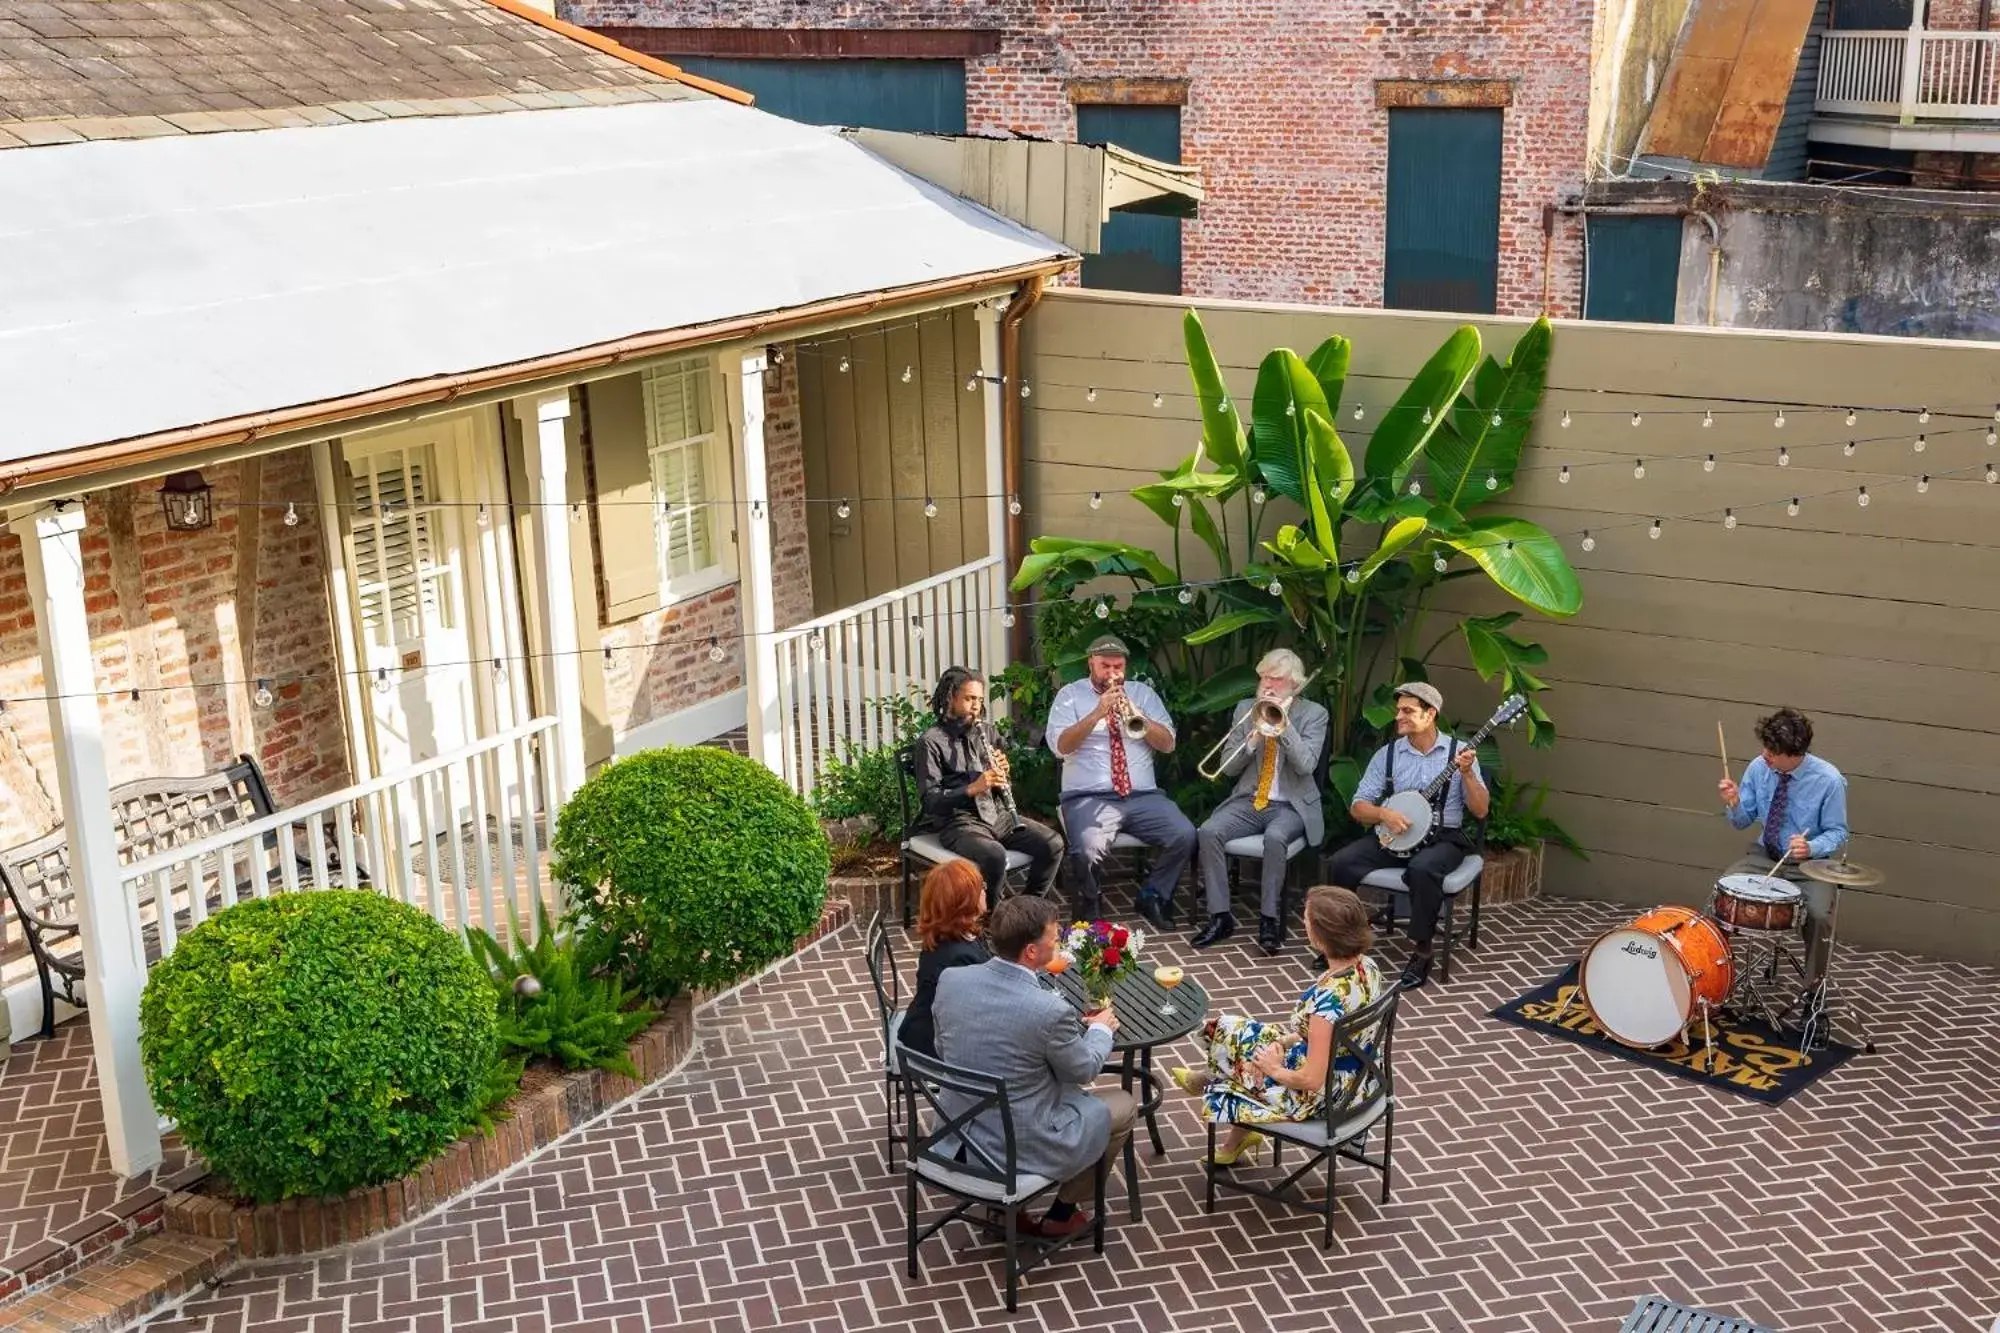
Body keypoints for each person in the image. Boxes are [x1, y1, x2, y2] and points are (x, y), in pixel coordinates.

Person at [932, 895, 1136, 1239]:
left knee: (1048, 1089)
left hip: (957, 1133)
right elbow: (1084, 1069)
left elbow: (943, 1049)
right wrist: (1101, 1029)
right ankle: (1061, 1213)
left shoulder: (952, 980)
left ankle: (1003, 1214)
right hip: (1016, 1147)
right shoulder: (1049, 1011)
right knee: (1123, 1107)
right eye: (1053, 939)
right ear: (1030, 951)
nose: (1057, 944)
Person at [1170, 885, 1385, 1166]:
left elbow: (1311, 1080)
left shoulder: (1327, 1002)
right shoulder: (1367, 967)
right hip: (1362, 1073)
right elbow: (1332, 1034)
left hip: (1328, 1094)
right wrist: (1283, 1043)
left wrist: (1274, 1069)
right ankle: (1234, 1130)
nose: (1303, 924)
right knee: (1228, 1026)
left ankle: (1213, 1080)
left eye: (1306, 921)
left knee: (1244, 1064)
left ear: (1321, 938)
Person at [1323, 681, 1488, 990]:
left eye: (1407, 711)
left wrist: (1466, 774)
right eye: (1398, 710)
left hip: (1444, 837)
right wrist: (1384, 814)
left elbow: (1480, 811)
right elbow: (1358, 807)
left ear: (1431, 714)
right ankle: (1340, 943)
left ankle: (1422, 951)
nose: (1398, 716)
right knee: (1341, 863)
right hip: (1394, 833)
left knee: (1423, 869)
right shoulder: (1388, 755)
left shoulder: (1459, 754)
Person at [1046, 634, 1197, 930]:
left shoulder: (1142, 694)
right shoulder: (1070, 696)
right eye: (1105, 666)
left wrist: (1139, 717)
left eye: (1118, 667)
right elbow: (1060, 746)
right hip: (1087, 796)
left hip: (1142, 796)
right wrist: (1096, 713)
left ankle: (1153, 895)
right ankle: (1090, 906)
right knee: (1086, 849)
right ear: (1091, 662)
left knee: (1185, 834)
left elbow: (1167, 744)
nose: (1113, 673)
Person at [1192, 649, 1329, 955]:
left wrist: (1282, 726)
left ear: (1293, 684)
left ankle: (1269, 920)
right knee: (1209, 831)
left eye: (1276, 679)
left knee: (1276, 837)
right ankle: (1220, 916)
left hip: (1290, 806)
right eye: (1264, 677)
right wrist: (1252, 740)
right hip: (1250, 800)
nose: (1267, 685)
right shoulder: (1246, 708)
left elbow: (1306, 765)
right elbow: (1227, 769)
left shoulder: (1313, 714)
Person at [1718, 706, 1849, 984]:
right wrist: (1733, 802)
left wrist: (1810, 847)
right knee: (1723, 893)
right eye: (1765, 747)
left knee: (1819, 917)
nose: (1765, 755)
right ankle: (1712, 978)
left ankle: (1813, 992)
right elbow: (1742, 821)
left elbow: (1838, 832)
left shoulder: (1829, 780)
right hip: (1766, 854)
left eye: (1773, 752)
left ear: (1795, 754)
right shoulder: (1758, 767)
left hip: (1811, 866)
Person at [915, 666, 1065, 908]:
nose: (976, 705)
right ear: (951, 697)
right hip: (959, 822)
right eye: (969, 698)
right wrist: (971, 789)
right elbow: (930, 800)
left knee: (1053, 844)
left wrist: (1004, 772)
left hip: (996, 814)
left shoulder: (988, 732)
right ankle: (992, 918)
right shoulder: (930, 742)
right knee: (994, 856)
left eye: (979, 699)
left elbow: (1000, 784)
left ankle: (1024, 909)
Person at [896, 861, 994, 1059]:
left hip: (933, 1023)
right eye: (981, 887)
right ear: (964, 901)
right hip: (934, 1042)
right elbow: (982, 1011)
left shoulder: (952, 932)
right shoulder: (957, 959)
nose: (985, 892)